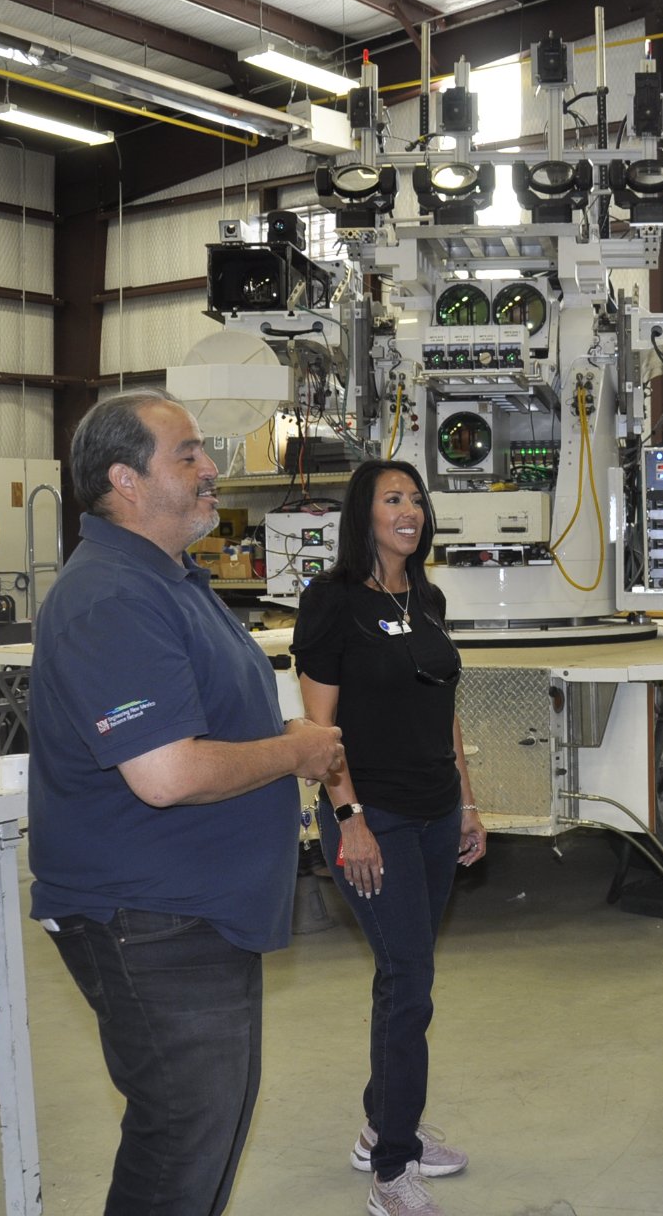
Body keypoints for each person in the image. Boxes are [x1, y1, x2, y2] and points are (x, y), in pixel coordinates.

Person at [28, 390, 345, 1216]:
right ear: (125, 481)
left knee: (206, 1128)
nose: (212, 469)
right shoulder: (112, 599)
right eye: (190, 455)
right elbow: (164, 774)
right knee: (181, 1138)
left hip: (194, 916)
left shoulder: (170, 581)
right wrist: (299, 750)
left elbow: (205, 721)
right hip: (149, 921)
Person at [292, 459, 486, 1216]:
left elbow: (446, 708)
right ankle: (392, 1171)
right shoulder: (331, 602)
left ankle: (382, 1126)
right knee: (409, 983)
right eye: (392, 499)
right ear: (362, 516)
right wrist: (350, 820)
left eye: (415, 499)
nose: (409, 510)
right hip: (373, 819)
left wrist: (469, 804)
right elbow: (319, 731)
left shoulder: (426, 595)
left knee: (405, 976)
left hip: (437, 812)